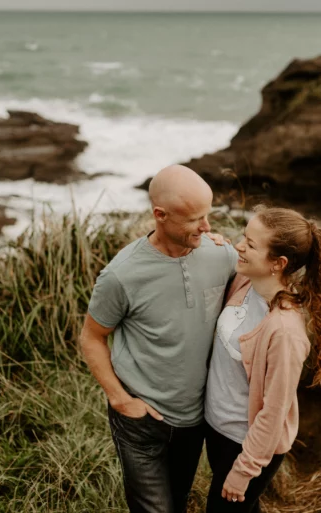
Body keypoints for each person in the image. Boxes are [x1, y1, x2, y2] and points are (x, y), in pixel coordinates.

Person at [79, 165, 238, 513]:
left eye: (207, 216)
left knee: (177, 501)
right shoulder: (122, 275)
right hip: (141, 419)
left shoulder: (221, 254)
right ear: (160, 215)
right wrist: (121, 400)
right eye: (195, 219)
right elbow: (91, 337)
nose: (207, 227)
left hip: (196, 417)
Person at [203, 205, 321, 513]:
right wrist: (212, 243)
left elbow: (273, 413)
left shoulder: (284, 332)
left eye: (250, 245)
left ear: (278, 263)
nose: (240, 245)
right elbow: (227, 253)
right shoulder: (246, 282)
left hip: (245, 446)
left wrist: (244, 471)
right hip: (218, 431)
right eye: (243, 237)